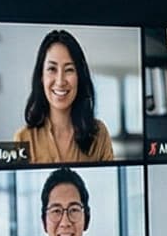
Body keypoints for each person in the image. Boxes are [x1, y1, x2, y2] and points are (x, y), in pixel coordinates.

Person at [17, 29, 116, 163]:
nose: (60, 81)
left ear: (79, 77)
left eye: (69, 69)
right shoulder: (24, 138)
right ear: (41, 76)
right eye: (52, 69)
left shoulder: (99, 133)